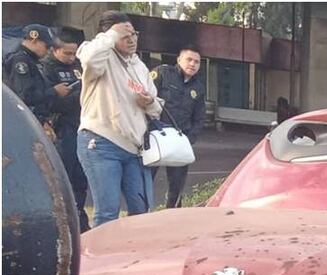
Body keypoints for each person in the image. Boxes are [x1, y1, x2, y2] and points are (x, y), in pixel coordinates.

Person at [76, 11, 161, 226]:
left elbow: (157, 108)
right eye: (125, 35)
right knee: (107, 213)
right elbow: (90, 58)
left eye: (134, 33)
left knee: (142, 211)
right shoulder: (97, 55)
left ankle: (135, 255)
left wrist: (149, 102)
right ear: (110, 37)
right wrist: (111, 35)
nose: (132, 39)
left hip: (135, 149)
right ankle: (103, 259)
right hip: (101, 143)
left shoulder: (139, 66)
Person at [40, 26, 89, 231]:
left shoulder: (79, 66)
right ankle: (62, 222)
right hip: (61, 130)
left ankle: (79, 217)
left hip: (82, 127)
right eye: (67, 53)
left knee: (81, 177)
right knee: (63, 178)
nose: (71, 57)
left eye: (74, 53)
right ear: (55, 49)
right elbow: (49, 101)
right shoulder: (46, 69)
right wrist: (76, 98)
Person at [149, 45, 205, 208]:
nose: (192, 64)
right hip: (156, 136)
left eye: (197, 62)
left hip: (180, 139)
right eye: (189, 59)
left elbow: (199, 118)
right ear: (179, 60)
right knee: (145, 180)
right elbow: (146, 98)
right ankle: (141, 215)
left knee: (177, 186)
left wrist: (189, 139)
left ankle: (172, 216)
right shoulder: (163, 74)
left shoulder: (198, 88)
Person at [3, 24, 70, 124]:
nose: (48, 51)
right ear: (34, 40)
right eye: (46, 46)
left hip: (36, 118)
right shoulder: (20, 60)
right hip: (24, 120)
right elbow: (25, 96)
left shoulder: (33, 61)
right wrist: (54, 91)